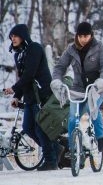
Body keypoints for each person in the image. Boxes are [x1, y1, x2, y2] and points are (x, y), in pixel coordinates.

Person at [4, 24, 59, 170]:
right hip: (29, 96)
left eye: (15, 36)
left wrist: (14, 88)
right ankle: (57, 150)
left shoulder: (35, 48)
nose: (13, 39)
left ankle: (51, 160)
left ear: (23, 35)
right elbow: (24, 78)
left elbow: (30, 74)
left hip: (41, 95)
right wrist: (17, 96)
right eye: (11, 37)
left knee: (41, 128)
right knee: (28, 127)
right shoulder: (19, 54)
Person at [51, 22, 103, 154]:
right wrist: (56, 80)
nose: (83, 39)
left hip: (96, 88)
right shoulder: (71, 49)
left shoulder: (99, 46)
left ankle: (101, 137)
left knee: (92, 110)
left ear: (91, 35)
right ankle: (73, 150)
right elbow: (60, 67)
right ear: (77, 36)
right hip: (78, 89)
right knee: (73, 117)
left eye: (86, 36)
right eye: (81, 36)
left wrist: (102, 80)